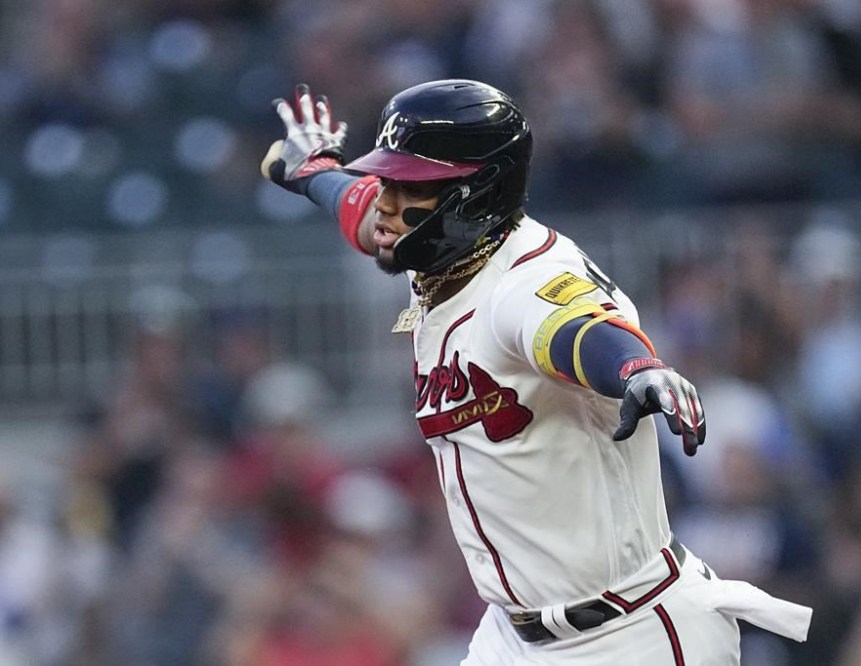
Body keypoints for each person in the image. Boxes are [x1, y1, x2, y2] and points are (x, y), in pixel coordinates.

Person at [260, 79, 812, 664]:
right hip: (512, 639)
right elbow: (361, 208)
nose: (387, 203)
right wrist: (311, 170)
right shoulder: (446, 248)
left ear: (476, 193)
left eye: (408, 184)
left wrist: (636, 368)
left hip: (626, 636)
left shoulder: (523, 282)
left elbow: (578, 331)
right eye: (388, 179)